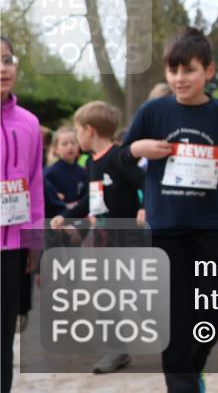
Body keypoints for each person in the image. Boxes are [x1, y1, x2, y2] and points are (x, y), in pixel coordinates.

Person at [119, 26, 218, 393]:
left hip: (210, 231)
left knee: (213, 310)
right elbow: (120, 161)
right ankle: (182, 381)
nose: (180, 79)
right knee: (177, 323)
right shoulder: (153, 112)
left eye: (189, 70)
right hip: (166, 233)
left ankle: (193, 370)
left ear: (208, 72)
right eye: (173, 70)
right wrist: (138, 152)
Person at [50, 100, 145, 375]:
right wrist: (68, 216)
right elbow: (91, 201)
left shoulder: (119, 157)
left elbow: (143, 181)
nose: (76, 136)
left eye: (78, 130)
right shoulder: (90, 162)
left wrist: (144, 206)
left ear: (89, 131)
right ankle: (116, 350)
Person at [0, 36, 43, 393]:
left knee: (3, 340)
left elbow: (36, 183)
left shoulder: (29, 123)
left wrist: (34, 238)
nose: (2, 68)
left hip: (13, 249)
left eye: (7, 59)